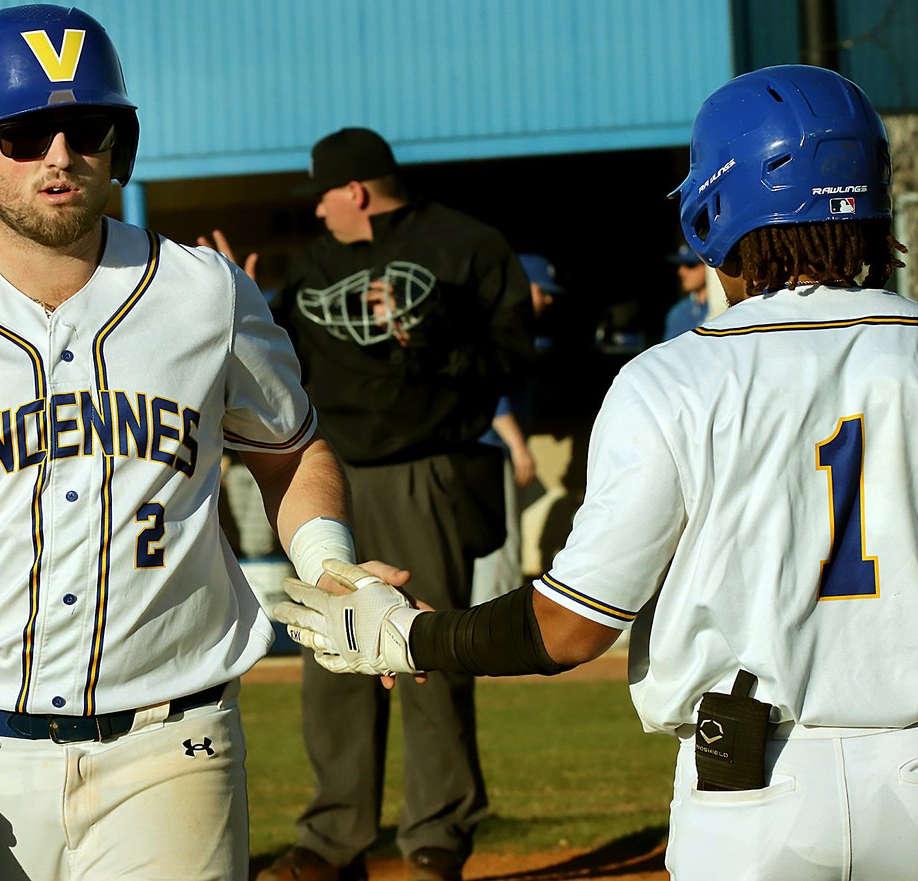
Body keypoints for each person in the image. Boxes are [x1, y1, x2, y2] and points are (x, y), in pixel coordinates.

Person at [276, 65, 918, 881]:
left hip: (754, 790)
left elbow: (572, 626)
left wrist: (408, 635)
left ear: (716, 207)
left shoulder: (675, 377)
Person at [0, 6, 378, 880]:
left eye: (86, 126)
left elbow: (290, 449)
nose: (59, 154)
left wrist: (331, 562)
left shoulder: (204, 294)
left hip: (175, 748)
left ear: (120, 141)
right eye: (25, 133)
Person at [259, 127, 535, 881]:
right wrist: (237, 305)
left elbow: (512, 356)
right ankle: (333, 837)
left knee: (427, 649)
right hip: (333, 475)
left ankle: (436, 834)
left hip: (427, 468)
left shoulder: (464, 245)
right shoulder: (315, 265)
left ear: (354, 190)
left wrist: (429, 336)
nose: (316, 212)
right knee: (329, 652)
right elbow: (284, 365)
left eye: (321, 195)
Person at [470, 253, 563, 605]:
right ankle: (488, 638)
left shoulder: (501, 324)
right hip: (492, 449)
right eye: (543, 291)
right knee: (500, 547)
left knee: (492, 548)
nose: (549, 299)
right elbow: (491, 395)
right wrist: (518, 447)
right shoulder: (503, 326)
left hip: (483, 451)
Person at [661, 243, 708, 340]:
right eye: (680, 265)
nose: (681, 271)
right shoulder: (678, 313)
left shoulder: (725, 306)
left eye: (690, 265)